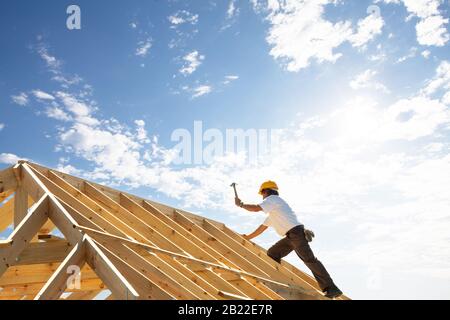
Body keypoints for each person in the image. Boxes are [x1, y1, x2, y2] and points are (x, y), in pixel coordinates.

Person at [235, 180, 343, 299]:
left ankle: (332, 288)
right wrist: (247, 237)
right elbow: (262, 228)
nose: (262, 196)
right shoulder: (274, 212)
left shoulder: (273, 200)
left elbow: (256, 208)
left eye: (262, 194)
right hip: (291, 236)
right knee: (273, 253)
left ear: (266, 191)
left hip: (296, 234)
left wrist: (241, 205)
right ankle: (278, 277)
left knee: (310, 260)